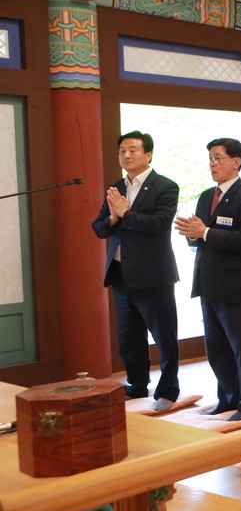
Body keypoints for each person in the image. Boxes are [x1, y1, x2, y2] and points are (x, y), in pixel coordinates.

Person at [175, 138, 241, 421]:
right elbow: (200, 237)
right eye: (210, 159)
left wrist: (206, 233)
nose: (212, 164)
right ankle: (228, 398)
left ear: (236, 162)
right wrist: (191, 233)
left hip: (236, 285)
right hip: (208, 281)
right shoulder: (205, 196)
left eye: (217, 158)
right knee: (216, 347)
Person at [92, 131, 181, 411]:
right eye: (122, 151)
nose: (126, 155)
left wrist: (126, 215)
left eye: (132, 150)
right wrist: (114, 215)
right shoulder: (115, 187)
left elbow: (160, 223)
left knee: (164, 336)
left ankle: (168, 390)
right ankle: (137, 384)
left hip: (154, 274)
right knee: (129, 337)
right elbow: (99, 228)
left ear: (149, 154)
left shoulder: (165, 186)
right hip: (120, 273)